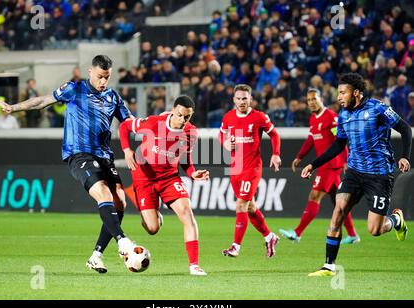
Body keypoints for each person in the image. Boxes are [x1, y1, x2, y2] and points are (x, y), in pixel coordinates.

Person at [0, 55, 138, 274]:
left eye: (107, 78)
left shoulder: (113, 97)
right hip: (78, 153)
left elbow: (130, 123)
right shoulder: (75, 88)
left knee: (120, 201)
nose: (103, 82)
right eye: (100, 76)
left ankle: (96, 256)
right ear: (90, 71)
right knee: (103, 193)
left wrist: (155, 127)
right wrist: (14, 108)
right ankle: (122, 241)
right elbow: (43, 101)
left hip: (104, 154)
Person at [301, 73, 411, 276]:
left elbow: (405, 129)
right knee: (338, 211)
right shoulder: (343, 114)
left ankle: (396, 220)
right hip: (353, 172)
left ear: (357, 93)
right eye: (338, 93)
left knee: (375, 230)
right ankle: (329, 266)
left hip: (379, 175)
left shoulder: (378, 108)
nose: (339, 97)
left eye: (343, 93)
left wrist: (404, 156)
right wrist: (313, 164)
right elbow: (339, 145)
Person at [118, 95, 210, 276]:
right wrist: (127, 150)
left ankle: (194, 265)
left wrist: (192, 173)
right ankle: (153, 214)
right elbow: (124, 126)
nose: (183, 120)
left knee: (187, 213)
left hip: (169, 178)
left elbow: (185, 160)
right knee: (152, 228)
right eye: (180, 115)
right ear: (173, 111)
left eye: (187, 117)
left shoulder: (191, 133)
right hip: (143, 177)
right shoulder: (153, 123)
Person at [279, 88, 360, 244]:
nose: (311, 102)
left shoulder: (331, 117)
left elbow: (341, 141)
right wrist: (299, 157)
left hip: (330, 165)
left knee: (314, 196)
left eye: (314, 99)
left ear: (321, 99)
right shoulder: (313, 118)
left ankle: (297, 233)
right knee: (339, 201)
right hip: (325, 165)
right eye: (308, 100)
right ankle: (352, 235)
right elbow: (310, 140)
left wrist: (346, 161)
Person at [219, 84, 281, 258]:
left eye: (245, 98)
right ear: (234, 99)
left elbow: (275, 135)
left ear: (250, 99)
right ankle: (270, 237)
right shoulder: (228, 117)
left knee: (241, 205)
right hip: (235, 168)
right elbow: (221, 134)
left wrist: (276, 155)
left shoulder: (259, 117)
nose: (241, 101)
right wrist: (224, 143)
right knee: (251, 207)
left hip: (252, 169)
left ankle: (235, 247)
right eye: (238, 98)